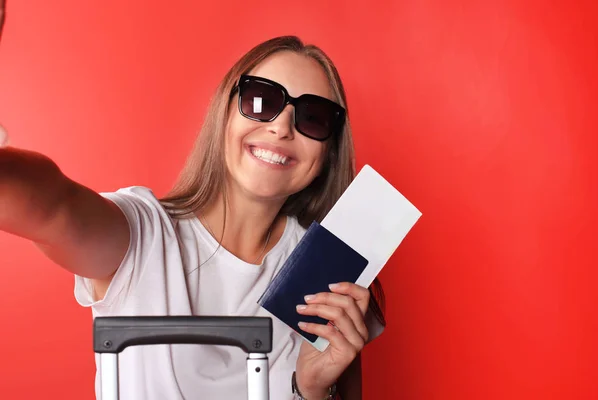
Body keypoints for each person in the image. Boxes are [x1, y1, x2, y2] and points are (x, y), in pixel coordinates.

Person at [0, 35, 386, 399]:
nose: (281, 127)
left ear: (329, 150)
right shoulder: (143, 233)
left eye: (314, 117)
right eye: (260, 99)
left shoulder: (329, 273)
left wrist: (312, 390)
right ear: (224, 112)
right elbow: (52, 206)